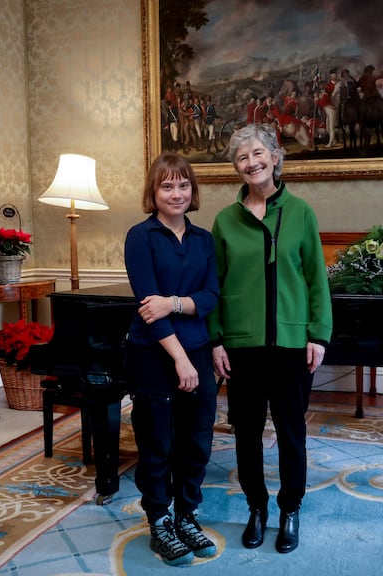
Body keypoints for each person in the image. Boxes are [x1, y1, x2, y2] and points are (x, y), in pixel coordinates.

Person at [207, 123, 332, 554]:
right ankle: (256, 508)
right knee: (245, 434)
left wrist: (319, 334)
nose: (251, 162)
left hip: (293, 345)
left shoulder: (300, 212)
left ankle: (290, 509)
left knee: (291, 431)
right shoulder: (224, 220)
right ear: (236, 167)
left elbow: (317, 279)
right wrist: (216, 340)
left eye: (258, 153)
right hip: (241, 346)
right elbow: (214, 286)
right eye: (242, 157)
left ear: (276, 157)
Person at [124, 153, 220, 566]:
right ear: (154, 192)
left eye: (183, 185)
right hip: (154, 354)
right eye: (167, 186)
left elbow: (211, 297)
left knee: (197, 438)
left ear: (192, 190)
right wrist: (181, 360)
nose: (176, 193)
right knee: (157, 441)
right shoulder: (140, 237)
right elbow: (149, 309)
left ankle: (186, 515)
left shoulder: (203, 240)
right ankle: (160, 520)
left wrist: (174, 303)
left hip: (198, 348)